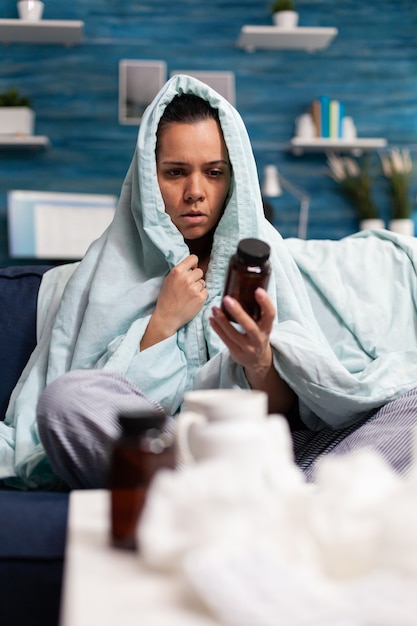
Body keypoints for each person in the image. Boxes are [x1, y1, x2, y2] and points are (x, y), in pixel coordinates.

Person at [2, 74, 417, 490]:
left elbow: (290, 413)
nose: (195, 191)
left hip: (274, 454)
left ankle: (242, 502)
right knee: (66, 401)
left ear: (233, 177)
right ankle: (261, 505)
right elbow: (113, 402)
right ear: (149, 179)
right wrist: (161, 324)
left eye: (214, 172)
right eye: (176, 172)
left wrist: (258, 360)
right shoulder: (107, 267)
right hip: (168, 450)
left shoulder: (264, 258)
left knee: (410, 406)